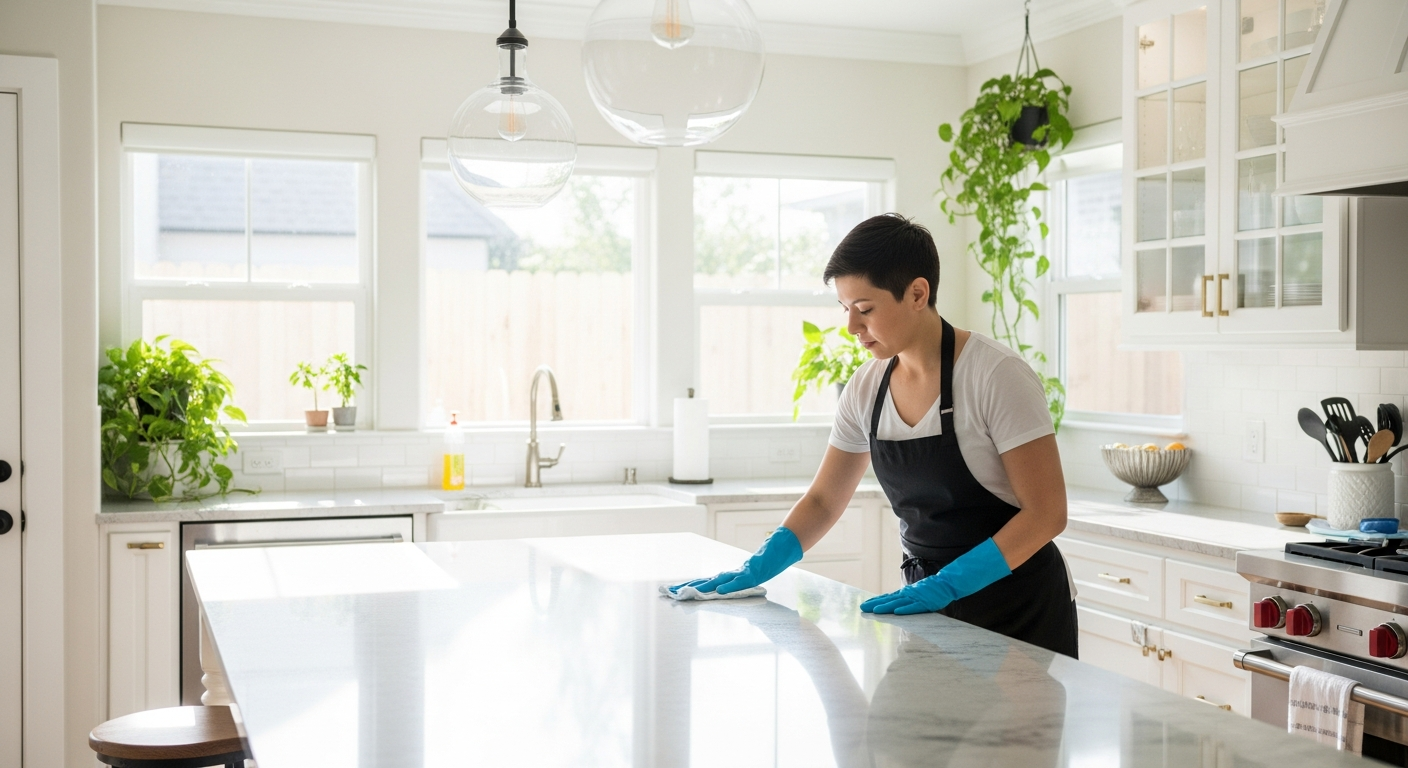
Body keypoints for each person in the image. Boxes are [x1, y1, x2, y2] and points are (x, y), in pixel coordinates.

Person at [669, 213, 1077, 657]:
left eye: (865, 310)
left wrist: (948, 584)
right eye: (846, 310)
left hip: (1020, 610)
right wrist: (758, 566)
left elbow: (1046, 514)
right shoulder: (867, 389)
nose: (851, 328)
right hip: (925, 608)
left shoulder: (995, 375)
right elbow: (825, 501)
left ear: (918, 293)